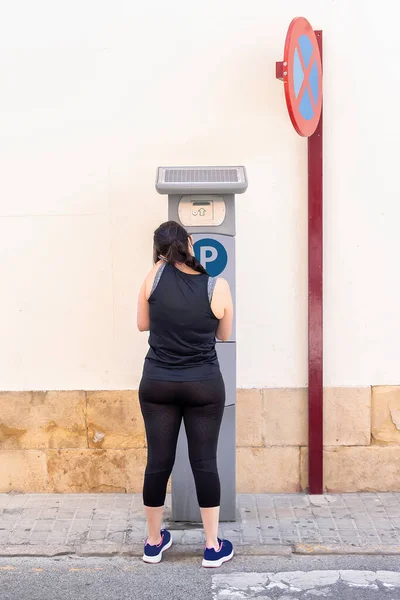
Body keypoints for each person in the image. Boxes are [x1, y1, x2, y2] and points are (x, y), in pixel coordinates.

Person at [137, 220, 234, 567]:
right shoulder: (216, 286)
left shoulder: (152, 278)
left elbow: (143, 323)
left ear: (159, 251)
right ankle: (211, 546)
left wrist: (160, 265)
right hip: (204, 384)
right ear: (190, 243)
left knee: (157, 462)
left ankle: (153, 542)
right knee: (204, 461)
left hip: (158, 382)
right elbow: (224, 334)